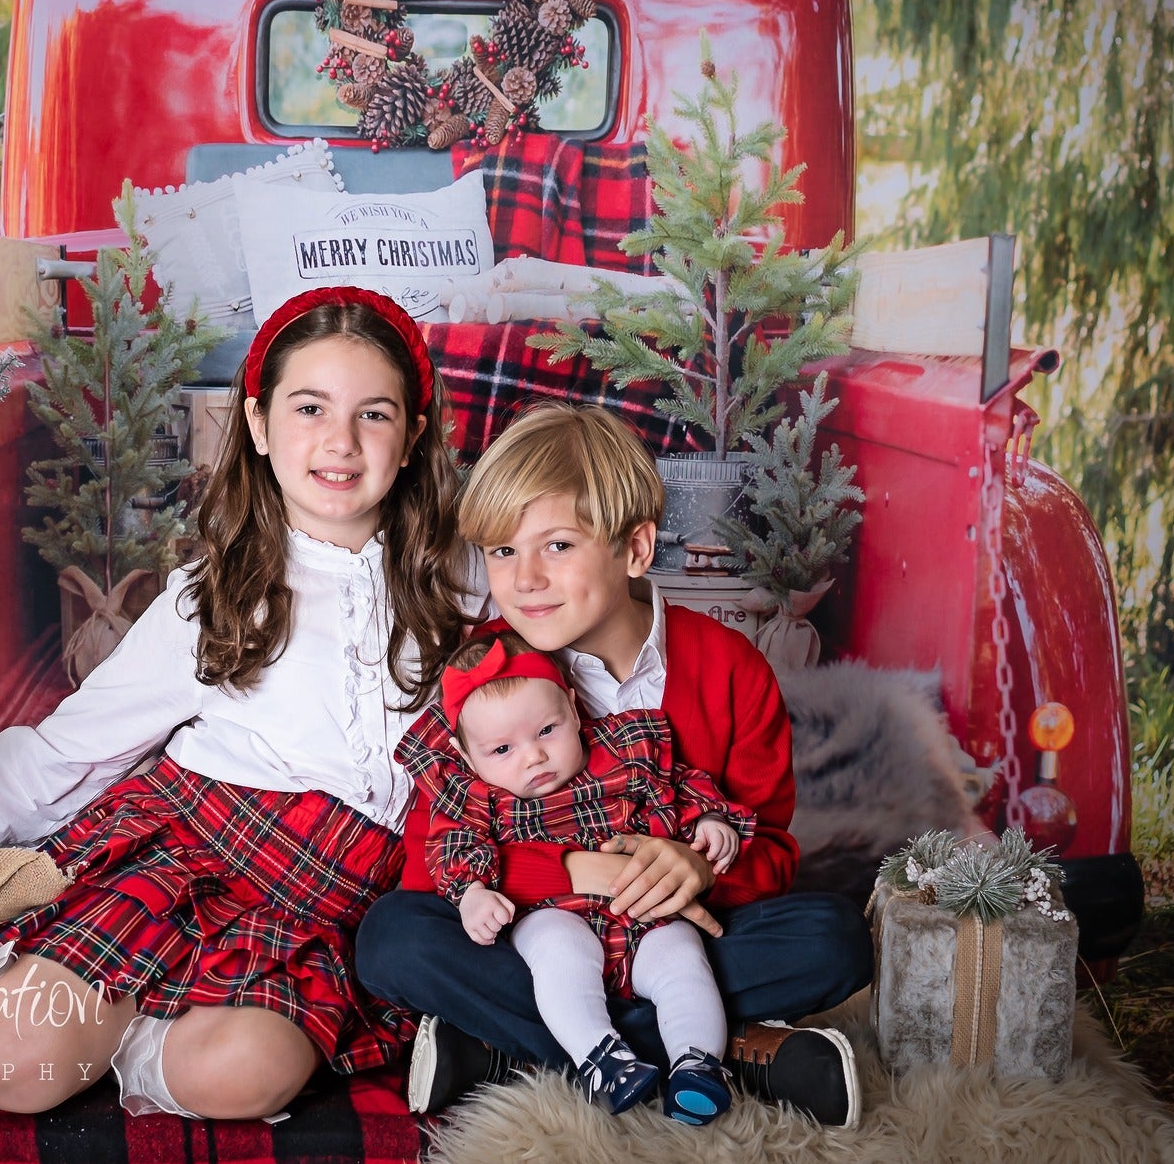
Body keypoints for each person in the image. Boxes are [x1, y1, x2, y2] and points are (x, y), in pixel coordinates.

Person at [0, 286, 472, 1119]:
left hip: (319, 904)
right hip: (189, 850)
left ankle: (147, 1037)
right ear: (258, 425)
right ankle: (94, 1010)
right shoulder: (212, 596)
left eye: (374, 414)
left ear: (412, 436)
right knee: (5, 1058)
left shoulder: (471, 583)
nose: (340, 440)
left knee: (245, 1072)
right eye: (309, 408)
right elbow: (68, 752)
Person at [356, 402, 876, 1129]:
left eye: (557, 545)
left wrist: (700, 870)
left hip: (676, 938)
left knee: (833, 938)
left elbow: (773, 853)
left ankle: (518, 1049)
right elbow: (428, 866)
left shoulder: (730, 668)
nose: (525, 579)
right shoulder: (482, 674)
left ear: (635, 548)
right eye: (502, 551)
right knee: (393, 938)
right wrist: (577, 872)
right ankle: (718, 1048)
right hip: (538, 939)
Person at [406, 625, 755, 1123]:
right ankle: (603, 1059)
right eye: (502, 750)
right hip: (555, 916)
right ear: (467, 757)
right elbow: (455, 847)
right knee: (556, 956)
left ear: (573, 709)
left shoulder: (625, 754)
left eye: (546, 730)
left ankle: (697, 1065)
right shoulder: (478, 797)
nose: (533, 757)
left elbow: (681, 786)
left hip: (646, 913)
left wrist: (709, 822)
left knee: (685, 958)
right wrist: (472, 895)